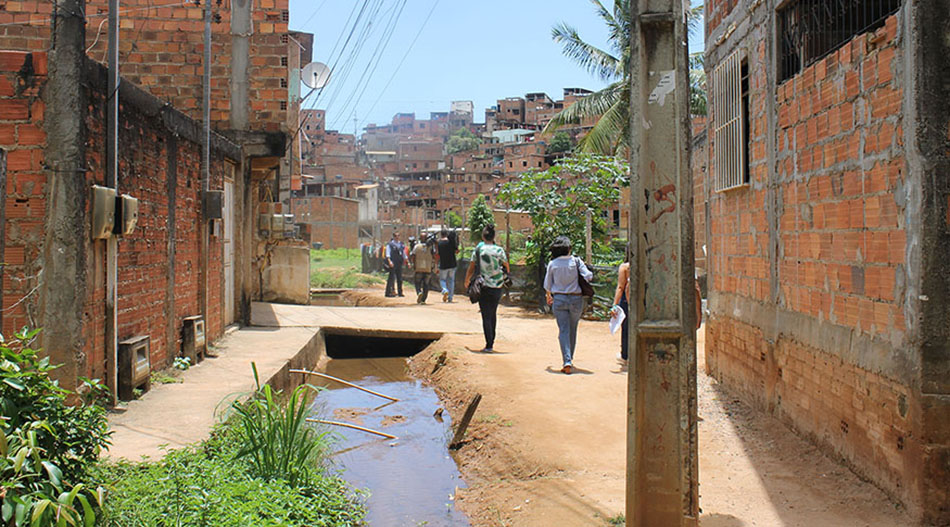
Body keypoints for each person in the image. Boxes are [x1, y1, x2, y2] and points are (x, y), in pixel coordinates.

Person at [543, 236, 592, 375]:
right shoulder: (576, 261)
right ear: (569, 248)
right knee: (573, 329)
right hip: (576, 299)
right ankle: (569, 359)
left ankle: (567, 361)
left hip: (559, 299)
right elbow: (588, 276)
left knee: (563, 330)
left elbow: (547, 285)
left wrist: (548, 296)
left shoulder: (553, 263)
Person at [465, 224, 508, 352]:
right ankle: (491, 342)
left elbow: (471, 268)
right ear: (494, 237)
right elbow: (507, 267)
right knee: (493, 313)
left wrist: (467, 280)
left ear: (483, 237)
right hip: (497, 286)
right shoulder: (499, 250)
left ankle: (489, 344)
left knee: (486, 314)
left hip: (483, 286)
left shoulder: (479, 250)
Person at [610, 255, 631, 362]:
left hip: (626, 300)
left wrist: (614, 304)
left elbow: (620, 287)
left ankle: (625, 355)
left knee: (626, 328)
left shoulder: (625, 267)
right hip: (642, 299)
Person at [410, 232, 434, 304]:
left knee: (417, 282)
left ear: (420, 239)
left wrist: (414, 264)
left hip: (419, 267)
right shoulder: (430, 247)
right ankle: (423, 300)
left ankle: (419, 292)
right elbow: (435, 256)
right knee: (426, 284)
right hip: (428, 268)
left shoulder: (417, 246)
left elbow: (413, 256)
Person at [437, 229, 459, 302]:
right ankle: (450, 297)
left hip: (443, 264)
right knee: (451, 281)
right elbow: (456, 251)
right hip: (452, 264)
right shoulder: (451, 242)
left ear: (441, 234)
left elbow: (438, 254)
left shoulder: (439, 243)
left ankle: (445, 290)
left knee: (442, 280)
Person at [385, 232, 408, 297]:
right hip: (393, 262)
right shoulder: (390, 244)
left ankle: (400, 292)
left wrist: (407, 260)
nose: (397, 237)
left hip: (399, 262)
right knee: (391, 278)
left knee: (399, 278)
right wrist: (389, 261)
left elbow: (403, 253)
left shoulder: (401, 244)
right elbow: (388, 254)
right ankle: (389, 292)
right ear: (393, 237)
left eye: (398, 236)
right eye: (395, 236)